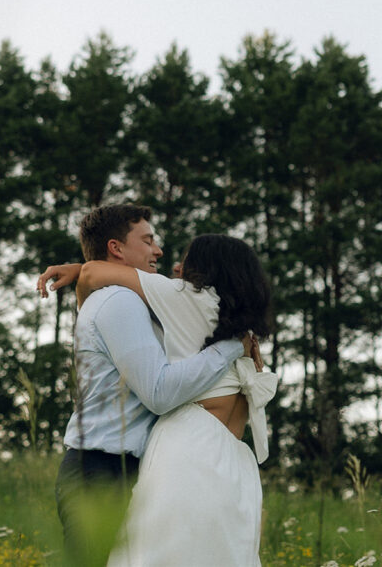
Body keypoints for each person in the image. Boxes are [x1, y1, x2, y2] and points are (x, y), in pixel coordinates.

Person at [37, 204, 254, 566]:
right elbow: (159, 393)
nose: (159, 251)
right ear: (116, 248)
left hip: (131, 468)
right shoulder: (118, 302)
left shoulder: (136, 299)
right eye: (148, 240)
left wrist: (82, 271)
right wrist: (232, 348)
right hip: (100, 472)